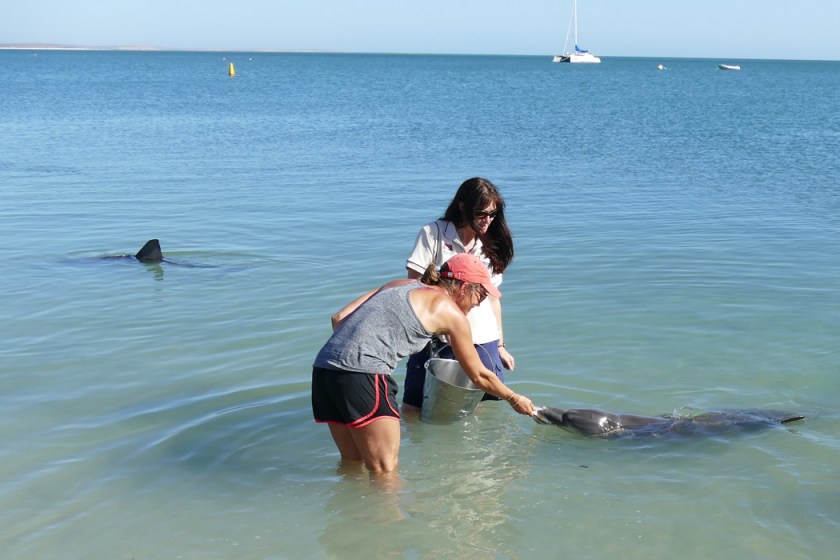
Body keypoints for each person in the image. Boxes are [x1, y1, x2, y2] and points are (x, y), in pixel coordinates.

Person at [312, 253, 536, 475]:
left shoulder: (399, 284)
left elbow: (339, 318)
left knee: (352, 463)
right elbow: (479, 375)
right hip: (365, 372)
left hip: (324, 369)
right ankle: (386, 512)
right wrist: (514, 398)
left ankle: (352, 510)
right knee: (385, 472)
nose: (480, 304)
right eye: (482, 295)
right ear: (465, 287)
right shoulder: (450, 312)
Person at [403, 177, 515, 412]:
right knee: (417, 401)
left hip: (482, 336)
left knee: (484, 401)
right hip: (436, 335)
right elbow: (413, 286)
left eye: (493, 215)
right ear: (463, 206)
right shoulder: (433, 233)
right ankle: (417, 446)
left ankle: (478, 447)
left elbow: (493, 298)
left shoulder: (492, 242)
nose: (488, 221)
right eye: (482, 214)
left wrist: (501, 345)